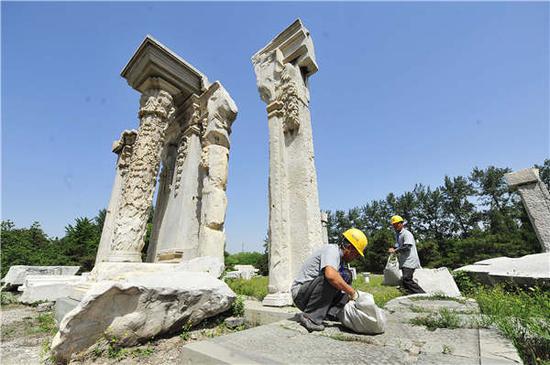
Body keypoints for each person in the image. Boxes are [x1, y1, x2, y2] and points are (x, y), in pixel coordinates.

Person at [291, 228, 368, 332]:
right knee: (332, 278)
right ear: (349, 248)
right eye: (357, 254)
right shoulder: (332, 250)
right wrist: (352, 292)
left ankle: (330, 315)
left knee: (346, 276)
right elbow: (331, 276)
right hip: (301, 295)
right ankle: (310, 317)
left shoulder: (340, 260)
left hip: (312, 294)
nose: (356, 257)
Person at [388, 215, 425, 295]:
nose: (395, 226)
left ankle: (422, 294)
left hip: (410, 260)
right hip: (404, 260)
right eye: (393, 225)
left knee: (406, 279)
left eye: (396, 224)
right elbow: (398, 246)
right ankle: (412, 294)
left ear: (402, 224)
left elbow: (407, 246)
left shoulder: (406, 234)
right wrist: (393, 248)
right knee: (405, 281)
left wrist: (395, 250)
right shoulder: (398, 235)